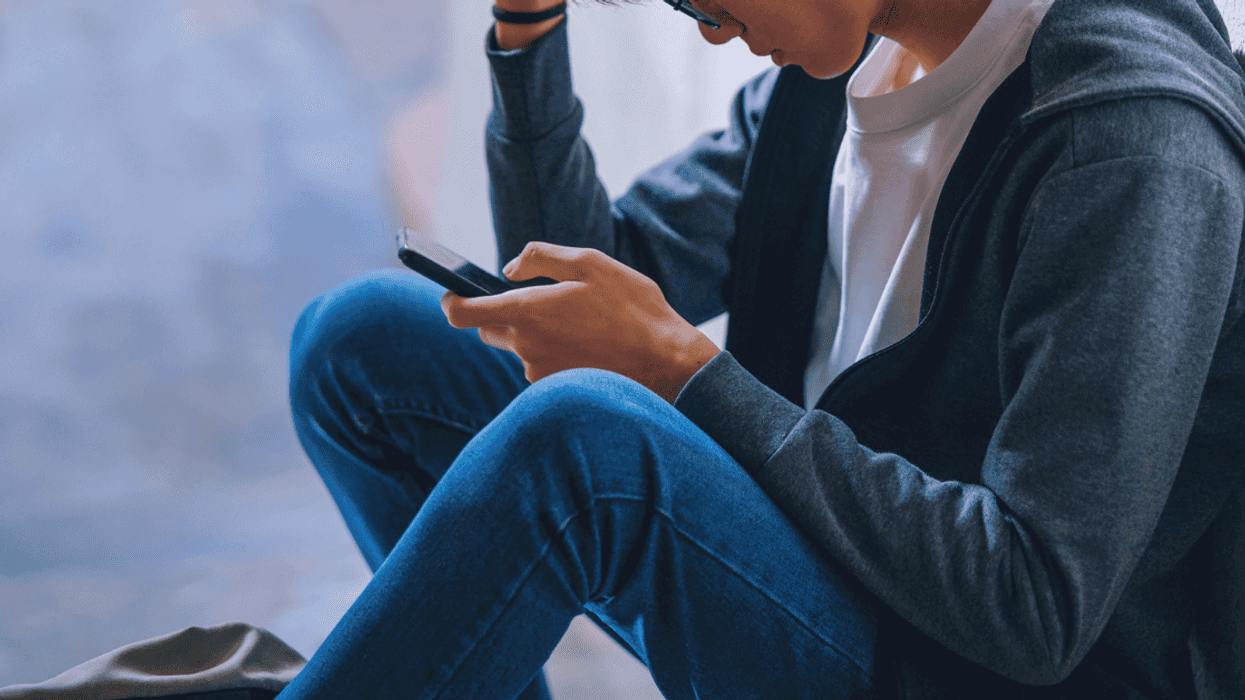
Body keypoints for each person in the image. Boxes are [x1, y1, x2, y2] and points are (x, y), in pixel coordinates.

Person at [282, 0, 1245, 697]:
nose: (704, 28)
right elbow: (573, 292)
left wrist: (684, 372)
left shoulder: (1124, 141)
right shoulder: (846, 73)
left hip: (963, 664)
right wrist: (527, 26)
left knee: (587, 445)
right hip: (840, 576)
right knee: (361, 342)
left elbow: (1032, 608)